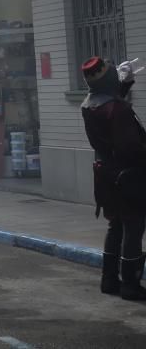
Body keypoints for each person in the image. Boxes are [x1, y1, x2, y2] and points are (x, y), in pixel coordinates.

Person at [80, 56, 146, 300]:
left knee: (116, 224)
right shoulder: (118, 110)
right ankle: (130, 283)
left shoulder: (88, 104)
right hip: (128, 174)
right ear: (109, 81)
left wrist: (124, 83)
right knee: (134, 226)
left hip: (105, 173)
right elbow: (130, 147)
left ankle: (109, 279)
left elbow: (109, 97)